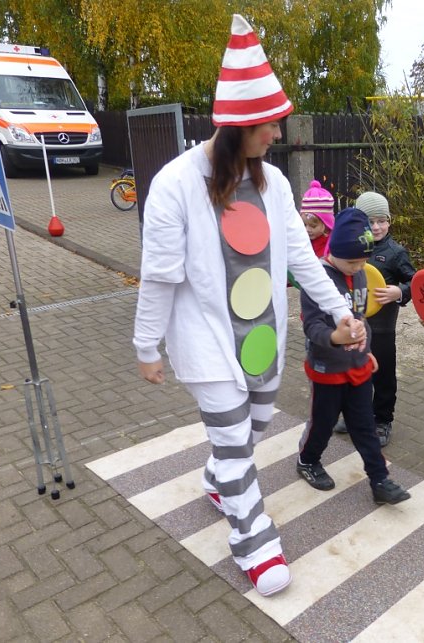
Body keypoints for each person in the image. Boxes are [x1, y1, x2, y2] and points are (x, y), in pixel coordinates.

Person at [132, 15, 366, 598]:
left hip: (261, 338)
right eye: (268, 125)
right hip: (207, 340)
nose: (276, 134)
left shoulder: (274, 184)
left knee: (253, 429)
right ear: (238, 126)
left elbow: (302, 258)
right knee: (237, 442)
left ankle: (219, 479)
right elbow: (159, 276)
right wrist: (146, 345)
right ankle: (254, 543)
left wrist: (340, 309)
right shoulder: (175, 184)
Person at [297, 207, 411, 505]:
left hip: (358, 366)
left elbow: (361, 318)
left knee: (364, 426)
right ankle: (308, 460)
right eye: (352, 262)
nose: (358, 268)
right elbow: (312, 326)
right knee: (322, 423)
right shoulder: (317, 278)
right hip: (327, 369)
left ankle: (380, 480)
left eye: (363, 262)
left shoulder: (359, 274)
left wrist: (367, 350)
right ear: (335, 251)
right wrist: (336, 338)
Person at [333, 191, 416, 446]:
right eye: (371, 221)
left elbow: (415, 282)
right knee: (354, 371)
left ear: (389, 221)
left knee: (383, 376)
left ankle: (382, 420)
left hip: (382, 329)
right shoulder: (352, 247)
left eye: (382, 220)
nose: (377, 227)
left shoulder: (395, 252)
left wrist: (399, 292)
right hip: (355, 326)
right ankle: (355, 414)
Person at [300, 179, 335, 257]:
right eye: (304, 225)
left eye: (313, 226)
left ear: (326, 224)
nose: (307, 229)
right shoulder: (302, 241)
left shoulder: (333, 244)